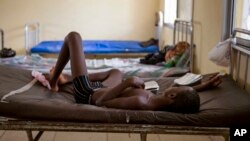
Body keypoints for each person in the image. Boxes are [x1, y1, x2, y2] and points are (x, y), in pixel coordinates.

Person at [47, 31, 222, 113]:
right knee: (115, 71)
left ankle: (54, 82)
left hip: (88, 93)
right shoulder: (160, 99)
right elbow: (185, 96)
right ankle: (68, 77)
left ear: (172, 97)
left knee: (73, 37)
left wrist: (127, 82)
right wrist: (205, 85)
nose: (175, 85)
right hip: (104, 88)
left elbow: (100, 102)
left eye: (177, 88)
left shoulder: (141, 101)